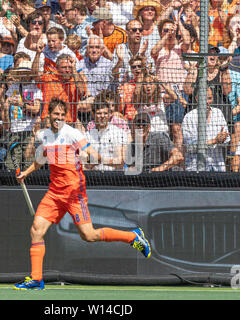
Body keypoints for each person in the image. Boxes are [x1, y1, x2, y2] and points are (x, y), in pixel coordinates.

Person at [14, 98, 151, 290]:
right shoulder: (44, 135)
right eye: (56, 114)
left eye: (62, 115)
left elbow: (91, 153)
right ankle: (36, 279)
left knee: (89, 235)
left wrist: (107, 160)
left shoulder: (72, 133)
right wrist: (26, 174)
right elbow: (41, 159)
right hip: (54, 193)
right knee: (36, 230)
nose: (59, 118)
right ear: (49, 114)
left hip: (74, 193)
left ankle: (133, 237)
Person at [0, 59, 42, 171]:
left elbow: (36, 109)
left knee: (28, 162)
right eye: (21, 72)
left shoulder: (35, 89)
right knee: (12, 163)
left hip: (29, 130)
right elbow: (6, 105)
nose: (23, 75)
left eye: (26, 72)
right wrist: (2, 99)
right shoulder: (14, 87)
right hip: (15, 130)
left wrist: (21, 104)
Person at [182, 87, 231, 172]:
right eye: (204, 98)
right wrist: (214, 141)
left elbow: (227, 140)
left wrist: (222, 139)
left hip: (217, 166)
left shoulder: (218, 113)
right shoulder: (189, 117)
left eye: (209, 98)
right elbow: (190, 146)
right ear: (197, 99)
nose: (207, 102)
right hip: (196, 167)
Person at [84, 98, 129, 171]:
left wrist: (100, 159)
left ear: (109, 114)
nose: (102, 116)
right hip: (93, 177)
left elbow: (120, 160)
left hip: (114, 176)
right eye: (99, 113)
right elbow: (84, 162)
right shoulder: (87, 136)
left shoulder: (118, 133)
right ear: (93, 114)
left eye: (105, 113)